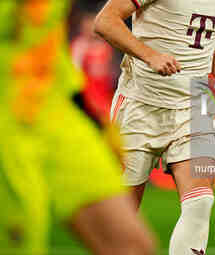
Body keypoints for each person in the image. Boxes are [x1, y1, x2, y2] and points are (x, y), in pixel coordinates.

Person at [0, 0, 155, 254]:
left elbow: (44, 38)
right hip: (7, 118)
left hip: (56, 107)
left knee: (131, 245)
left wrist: (88, 115)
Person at [94, 0, 215, 254]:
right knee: (120, 221)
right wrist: (150, 55)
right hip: (140, 105)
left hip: (194, 106)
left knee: (200, 202)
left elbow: (211, 27)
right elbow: (105, 21)